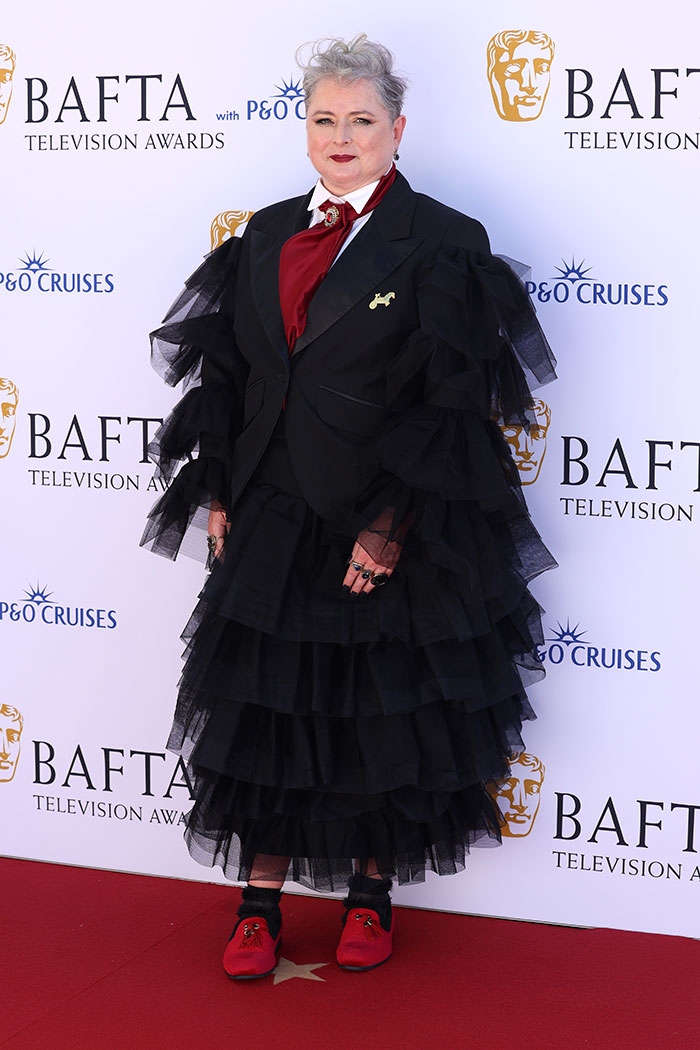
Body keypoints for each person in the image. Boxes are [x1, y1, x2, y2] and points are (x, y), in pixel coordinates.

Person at [142, 34, 556, 979]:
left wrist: (390, 526)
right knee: (264, 711)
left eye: (361, 120)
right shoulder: (264, 232)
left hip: (387, 512)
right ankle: (259, 905)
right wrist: (219, 486)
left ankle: (371, 896)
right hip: (274, 510)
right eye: (324, 118)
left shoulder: (445, 239)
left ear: (397, 129)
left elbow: (455, 404)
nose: (341, 136)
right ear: (305, 128)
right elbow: (230, 374)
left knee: (383, 713)